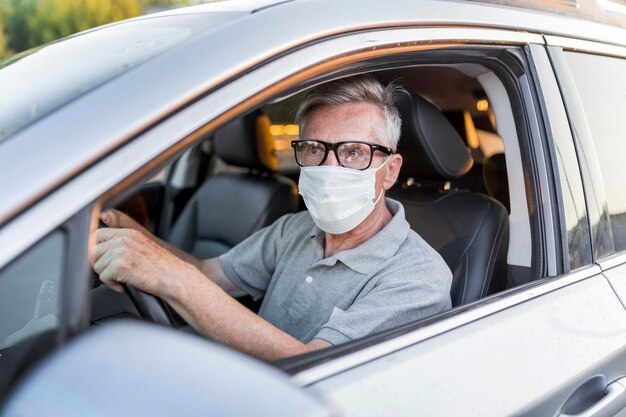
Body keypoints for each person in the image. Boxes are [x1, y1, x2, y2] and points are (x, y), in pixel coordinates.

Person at [90, 75, 452, 361]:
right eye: (313, 149)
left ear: (389, 171)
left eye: (354, 152)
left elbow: (314, 366)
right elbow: (207, 276)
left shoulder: (418, 277)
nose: (329, 168)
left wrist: (173, 278)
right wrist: (137, 236)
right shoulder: (296, 229)